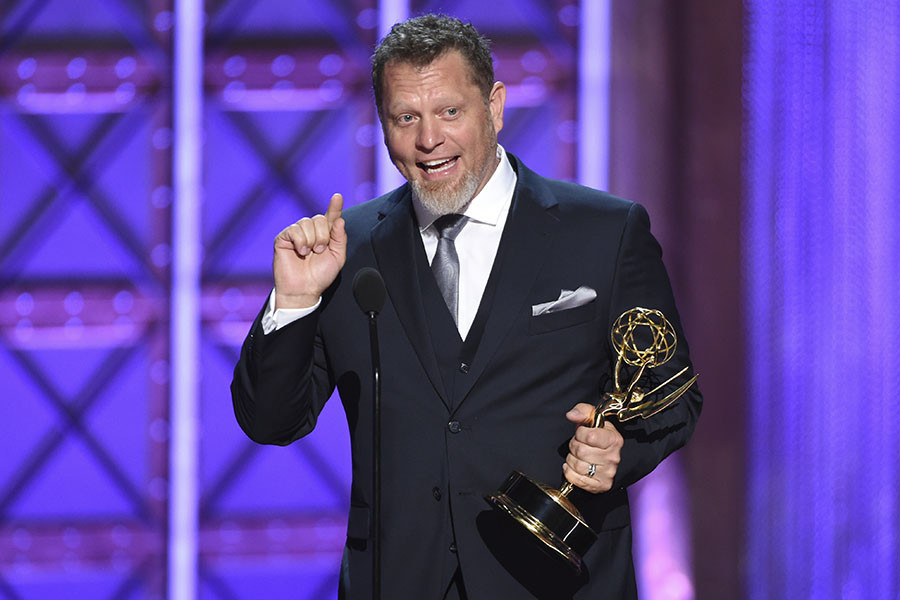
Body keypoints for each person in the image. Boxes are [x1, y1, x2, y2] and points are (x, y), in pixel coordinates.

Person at [231, 14, 701, 600]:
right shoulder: (346, 251)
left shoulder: (604, 231)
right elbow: (271, 421)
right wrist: (295, 301)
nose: (430, 140)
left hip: (555, 581)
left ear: (495, 107)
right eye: (407, 118)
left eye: (450, 112)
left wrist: (619, 450)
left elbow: (674, 398)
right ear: (383, 126)